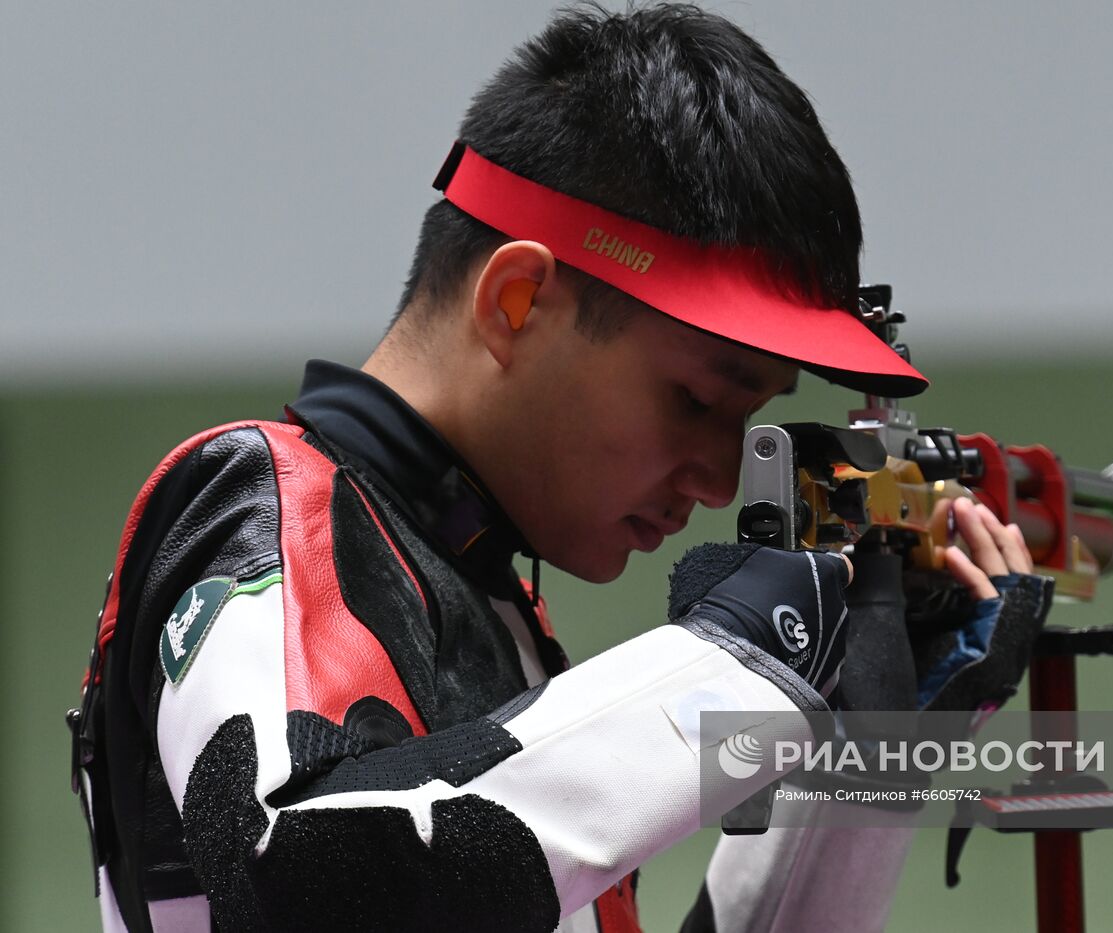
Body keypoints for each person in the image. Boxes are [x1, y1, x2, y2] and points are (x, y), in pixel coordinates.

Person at [69, 4, 1047, 931]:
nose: (716, 479)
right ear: (517, 301)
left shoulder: (491, 608)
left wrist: (864, 747)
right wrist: (745, 652)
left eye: (747, 418)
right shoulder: (258, 498)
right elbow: (303, 885)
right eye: (697, 401)